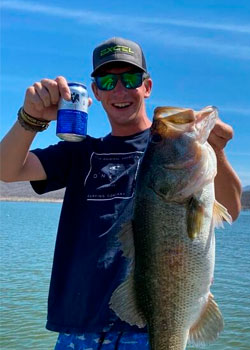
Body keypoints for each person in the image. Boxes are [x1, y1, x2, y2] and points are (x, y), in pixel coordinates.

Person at [0, 37, 242, 349]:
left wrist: (216, 150)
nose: (119, 90)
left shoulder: (178, 152)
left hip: (148, 332)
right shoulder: (80, 153)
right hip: (78, 332)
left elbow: (232, 209)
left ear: (147, 86)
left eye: (129, 79)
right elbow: (7, 171)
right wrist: (29, 119)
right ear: (96, 92)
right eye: (107, 80)